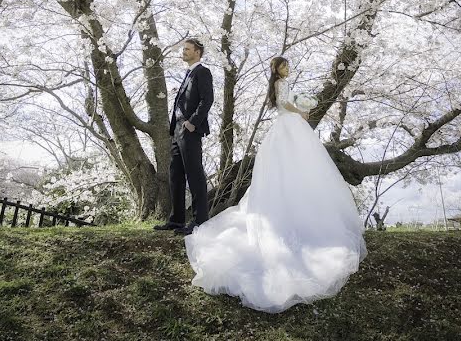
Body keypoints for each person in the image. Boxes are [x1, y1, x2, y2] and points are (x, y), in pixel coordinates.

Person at [184, 56, 367, 313]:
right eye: (284, 66)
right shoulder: (280, 84)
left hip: (291, 125)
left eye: (287, 66)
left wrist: (301, 108)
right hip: (288, 124)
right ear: (277, 69)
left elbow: (286, 102)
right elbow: (283, 103)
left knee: (300, 164)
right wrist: (300, 109)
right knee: (289, 162)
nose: (287, 69)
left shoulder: (284, 82)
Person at [153, 38, 214, 236]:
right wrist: (175, 127)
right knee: (175, 175)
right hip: (177, 131)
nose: (184, 52)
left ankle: (199, 221)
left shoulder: (202, 72)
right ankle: (176, 220)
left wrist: (192, 122)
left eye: (187, 49)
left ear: (197, 52)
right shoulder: (188, 74)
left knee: (194, 175)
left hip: (190, 130)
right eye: (184, 49)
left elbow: (207, 99)